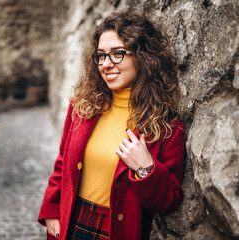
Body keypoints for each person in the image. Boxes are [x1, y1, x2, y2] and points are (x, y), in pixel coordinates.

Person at [38, 10, 186, 240]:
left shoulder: (166, 127)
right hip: (70, 226)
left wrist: (146, 167)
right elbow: (62, 162)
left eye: (118, 54)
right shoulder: (82, 107)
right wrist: (51, 210)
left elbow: (169, 202)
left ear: (142, 56)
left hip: (117, 232)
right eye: (101, 56)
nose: (106, 64)